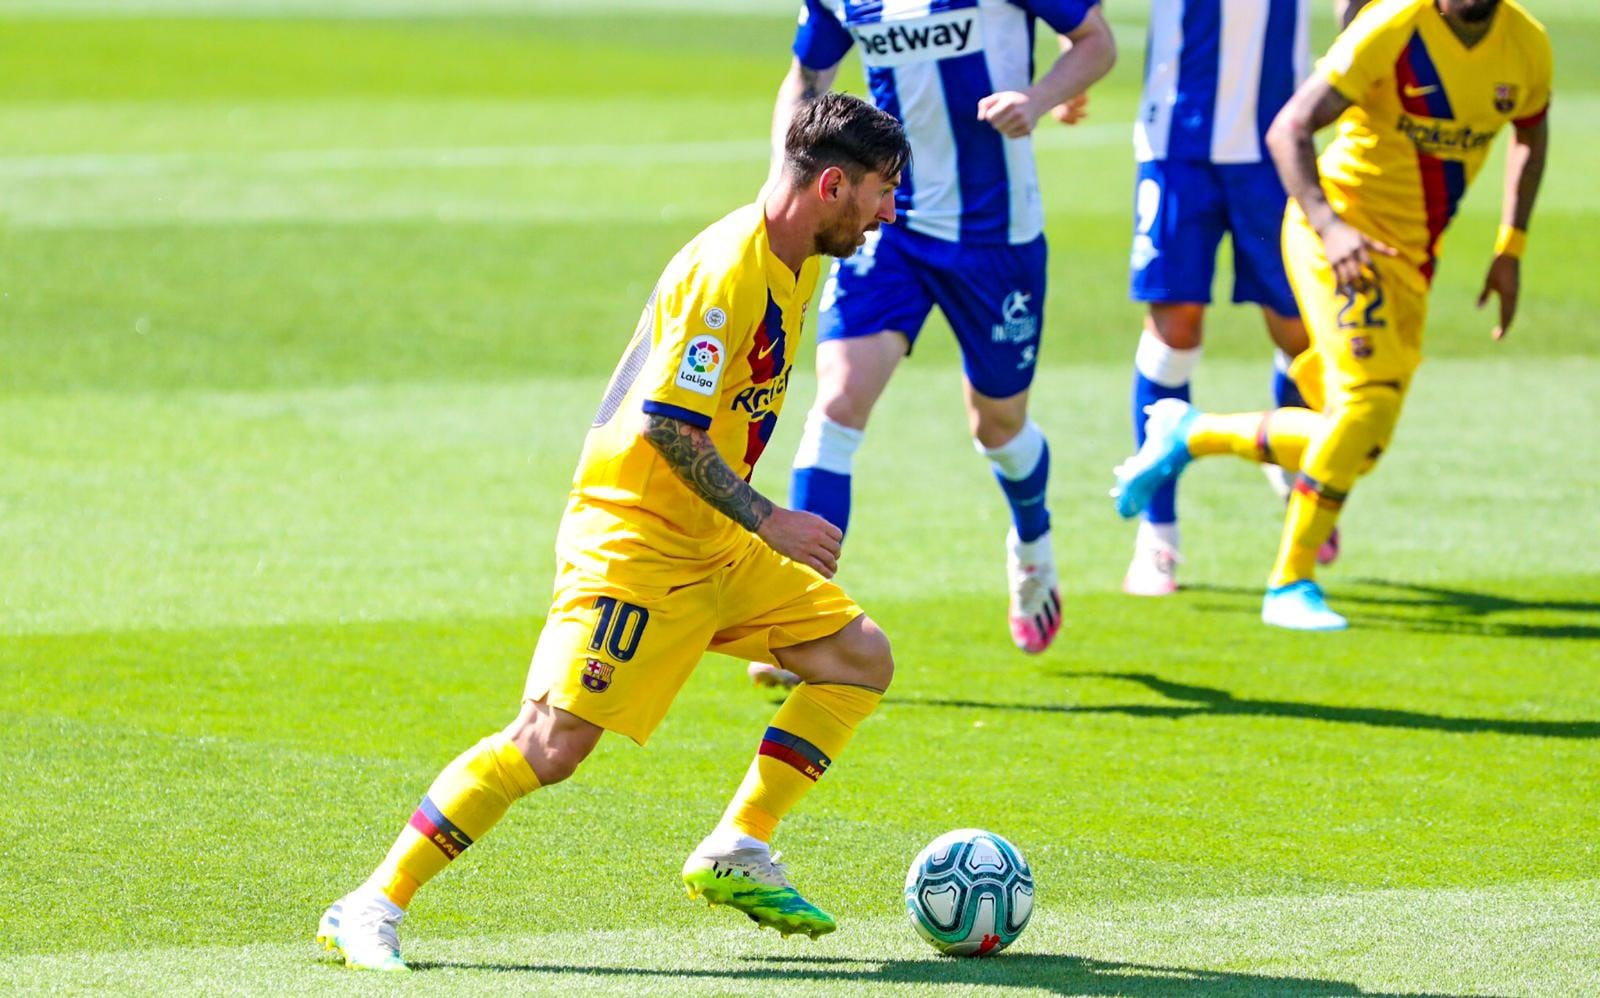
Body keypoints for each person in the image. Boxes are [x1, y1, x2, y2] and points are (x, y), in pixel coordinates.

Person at [316, 92, 910, 971]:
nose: (889, 211)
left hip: (711, 538)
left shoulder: (800, 252)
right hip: (635, 540)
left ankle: (737, 842)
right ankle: (369, 904)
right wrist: (769, 517)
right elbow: (668, 427)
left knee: (859, 656)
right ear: (831, 185)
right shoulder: (729, 271)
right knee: (549, 744)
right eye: (881, 191)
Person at [1112, 0, 1550, 630]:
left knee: (1359, 444)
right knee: (1358, 404)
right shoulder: (1396, 26)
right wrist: (1330, 225)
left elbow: (1533, 129)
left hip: (1407, 257)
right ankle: (1285, 579)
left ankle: (1194, 434)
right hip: (1330, 229)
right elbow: (1292, 126)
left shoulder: (1525, 46)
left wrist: (1511, 247)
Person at [764, 0, 1116, 664]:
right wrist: (786, 180)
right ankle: (801, 618)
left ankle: (1032, 543)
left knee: (998, 426)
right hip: (888, 225)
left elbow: (1096, 41)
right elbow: (808, 77)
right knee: (837, 403)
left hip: (997, 236)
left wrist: (1038, 100)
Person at [1117, 0, 1325, 596]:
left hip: (1275, 144)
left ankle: (1296, 458)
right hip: (1175, 142)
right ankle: (1158, 532)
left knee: (1297, 327)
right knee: (1175, 329)